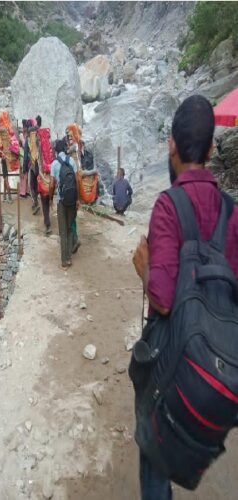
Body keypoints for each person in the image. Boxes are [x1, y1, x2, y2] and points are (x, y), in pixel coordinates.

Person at [132, 95, 238, 499]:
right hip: (221, 368)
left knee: (154, 453)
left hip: (175, 363)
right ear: (211, 150)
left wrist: (144, 268)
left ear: (171, 145)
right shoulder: (231, 212)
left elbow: (161, 299)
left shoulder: (169, 205)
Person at [51, 139, 78, 268]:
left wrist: (51, 199)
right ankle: (70, 252)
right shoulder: (72, 161)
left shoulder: (54, 164)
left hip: (61, 200)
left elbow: (51, 184)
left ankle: (65, 259)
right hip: (72, 199)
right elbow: (77, 180)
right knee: (69, 227)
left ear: (56, 151)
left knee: (62, 231)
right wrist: (78, 199)